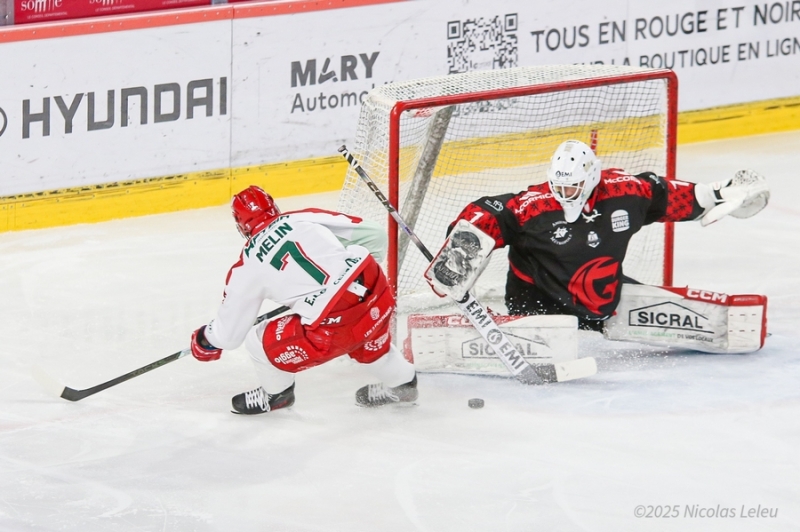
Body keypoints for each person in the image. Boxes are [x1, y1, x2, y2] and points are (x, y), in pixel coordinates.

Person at [425, 139, 770, 332]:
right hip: (537, 300)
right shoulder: (535, 206)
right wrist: (459, 252)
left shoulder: (625, 192)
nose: (564, 192)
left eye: (572, 185)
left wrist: (718, 193)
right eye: (558, 185)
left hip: (604, 294)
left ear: (591, 178)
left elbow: (670, 196)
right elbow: (489, 213)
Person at [190, 186, 417, 414]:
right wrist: (343, 277)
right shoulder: (302, 217)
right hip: (375, 290)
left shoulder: (247, 264)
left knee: (256, 340)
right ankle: (404, 384)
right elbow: (375, 235)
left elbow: (228, 336)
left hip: (335, 325)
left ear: (241, 225)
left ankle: (277, 396)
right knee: (370, 340)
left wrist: (205, 338)